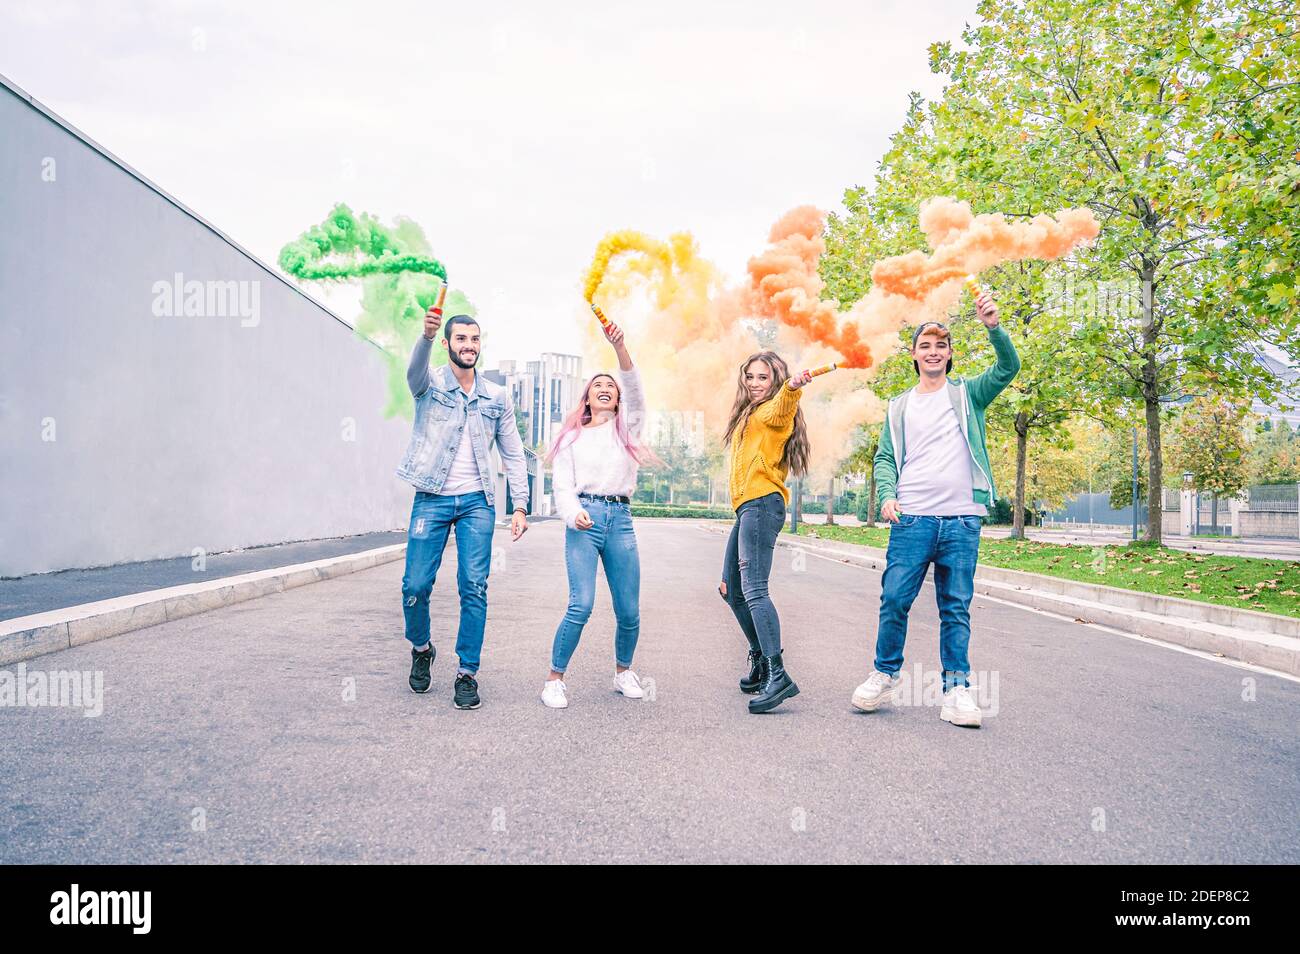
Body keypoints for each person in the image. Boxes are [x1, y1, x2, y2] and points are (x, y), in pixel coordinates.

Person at [851, 290, 1019, 728]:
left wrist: (993, 327)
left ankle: (957, 690)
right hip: (912, 521)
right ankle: (884, 675)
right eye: (925, 345)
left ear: (949, 355)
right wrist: (887, 495)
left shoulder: (969, 396)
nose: (933, 351)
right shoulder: (899, 406)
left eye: (940, 345)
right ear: (914, 354)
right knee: (894, 601)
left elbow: (1008, 368)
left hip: (962, 520)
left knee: (956, 607)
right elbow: (885, 458)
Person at [395, 305, 530, 710]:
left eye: (474, 339)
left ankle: (466, 673)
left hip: (477, 502)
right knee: (415, 585)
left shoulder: (496, 396)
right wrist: (426, 336)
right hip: (431, 496)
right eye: (461, 339)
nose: (469, 345)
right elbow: (412, 374)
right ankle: (421, 648)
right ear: (449, 344)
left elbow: (513, 453)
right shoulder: (430, 384)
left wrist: (520, 505)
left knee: (474, 586)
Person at [541, 320, 655, 709]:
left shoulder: (629, 430)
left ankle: (624, 672)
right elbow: (561, 487)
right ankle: (555, 679)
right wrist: (574, 515)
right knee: (582, 604)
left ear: (618, 400)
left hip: (620, 520)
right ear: (587, 399)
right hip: (584, 520)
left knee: (629, 608)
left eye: (612, 387)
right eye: (597, 386)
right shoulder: (571, 436)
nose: (605, 389)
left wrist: (620, 347)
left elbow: (636, 389)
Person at [719, 352, 815, 714]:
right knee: (731, 589)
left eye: (763, 378)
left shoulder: (775, 412)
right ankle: (760, 660)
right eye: (751, 377)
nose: (756, 384)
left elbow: (784, 406)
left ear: (775, 381)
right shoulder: (749, 413)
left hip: (762, 503)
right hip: (747, 507)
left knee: (755, 590)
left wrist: (791, 388)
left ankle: (779, 675)